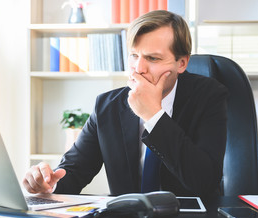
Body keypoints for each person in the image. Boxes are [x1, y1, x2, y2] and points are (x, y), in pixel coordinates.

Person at [23, 10, 228, 198]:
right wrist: (47, 184)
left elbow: (205, 182)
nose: (138, 68)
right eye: (134, 55)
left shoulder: (209, 96)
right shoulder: (107, 105)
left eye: (153, 58)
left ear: (181, 63)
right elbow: (74, 172)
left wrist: (154, 116)